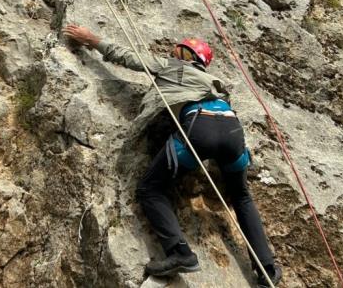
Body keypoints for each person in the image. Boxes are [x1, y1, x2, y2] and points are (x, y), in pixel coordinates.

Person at [62, 24, 282, 287]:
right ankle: (267, 269)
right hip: (232, 129)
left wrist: (92, 40)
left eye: (176, 49)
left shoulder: (173, 67)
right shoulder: (214, 84)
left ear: (184, 54)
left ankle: (180, 253)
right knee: (242, 196)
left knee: (150, 189)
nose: (171, 52)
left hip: (200, 126)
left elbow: (129, 58)